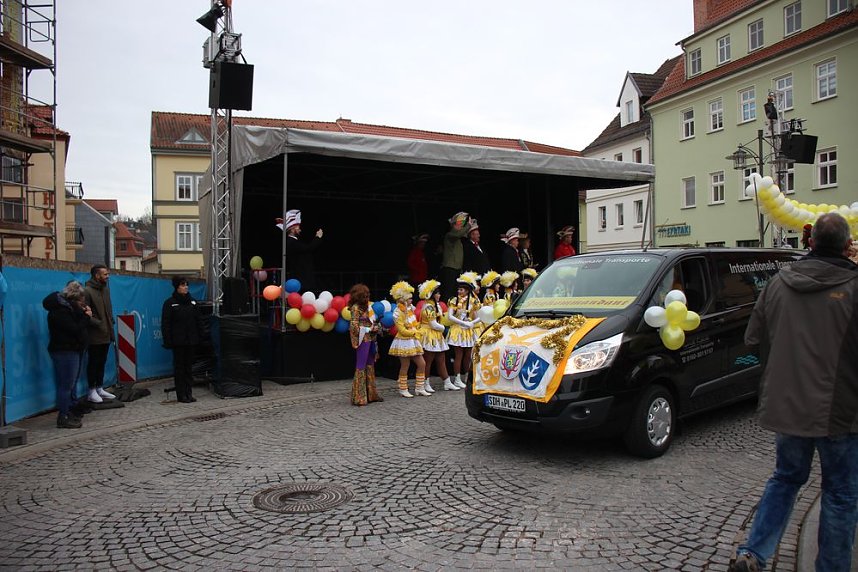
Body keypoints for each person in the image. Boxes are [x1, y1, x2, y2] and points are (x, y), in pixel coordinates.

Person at [729, 212, 858, 572]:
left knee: (785, 478)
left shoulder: (778, 284)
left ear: (810, 242)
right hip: (841, 411)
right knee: (841, 494)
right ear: (847, 246)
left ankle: (753, 553)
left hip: (787, 404)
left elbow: (753, 338)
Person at [43, 281, 92, 429]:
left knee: (68, 385)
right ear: (75, 299)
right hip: (65, 350)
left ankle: (69, 411)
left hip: (71, 349)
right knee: (66, 385)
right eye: (81, 300)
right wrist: (86, 317)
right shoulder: (60, 311)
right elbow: (74, 329)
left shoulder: (67, 309)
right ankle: (63, 415)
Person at [161, 277, 204, 403]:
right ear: (177, 287)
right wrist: (168, 340)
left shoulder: (193, 302)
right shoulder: (170, 303)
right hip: (178, 342)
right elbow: (166, 324)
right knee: (179, 368)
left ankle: (189, 393)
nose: (186, 287)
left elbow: (199, 321)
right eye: (183, 285)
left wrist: (200, 337)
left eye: (186, 285)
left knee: (188, 368)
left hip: (191, 340)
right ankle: (181, 395)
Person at [388, 281, 428, 398]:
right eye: (409, 298)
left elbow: (413, 323)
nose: (411, 300)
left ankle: (419, 387)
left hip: (413, 341)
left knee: (422, 364)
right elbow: (402, 331)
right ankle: (403, 388)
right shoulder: (397, 313)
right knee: (405, 366)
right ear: (402, 299)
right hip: (404, 341)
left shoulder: (410, 309)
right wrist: (416, 332)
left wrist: (418, 328)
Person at [84, 264, 116, 403]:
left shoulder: (106, 290)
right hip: (94, 335)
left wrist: (110, 324)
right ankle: (91, 390)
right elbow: (85, 314)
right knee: (94, 362)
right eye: (105, 274)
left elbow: (108, 311)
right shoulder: (87, 291)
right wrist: (98, 323)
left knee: (102, 362)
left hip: (107, 333)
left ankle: (99, 387)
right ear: (97, 276)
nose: (107, 277)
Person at [416, 279, 455, 392]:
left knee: (441, 358)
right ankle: (425, 383)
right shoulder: (428, 307)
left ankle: (447, 382)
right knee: (428, 360)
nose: (439, 295)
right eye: (437, 293)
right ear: (431, 295)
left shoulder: (435, 305)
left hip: (436, 334)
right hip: (429, 334)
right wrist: (444, 328)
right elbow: (433, 324)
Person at [347, 283, 383, 406]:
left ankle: (371, 394)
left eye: (368, 296)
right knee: (361, 366)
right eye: (364, 296)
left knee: (370, 365)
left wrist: (376, 326)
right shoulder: (355, 308)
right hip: (363, 339)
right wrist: (368, 329)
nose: (367, 299)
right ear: (358, 297)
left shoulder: (369, 307)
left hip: (371, 339)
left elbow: (372, 319)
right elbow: (353, 326)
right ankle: (359, 396)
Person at [446, 271, 480, 389]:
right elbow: (450, 316)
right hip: (457, 330)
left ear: (467, 291)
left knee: (468, 355)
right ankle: (457, 378)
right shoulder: (454, 300)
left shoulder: (473, 302)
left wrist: (472, 322)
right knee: (458, 355)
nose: (459, 291)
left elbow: (478, 316)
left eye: (462, 289)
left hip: (468, 331)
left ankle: (467, 377)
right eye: (459, 289)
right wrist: (462, 322)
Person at [281, 208, 323, 292]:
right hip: (300, 275)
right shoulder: (291, 242)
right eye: (297, 228)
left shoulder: (295, 240)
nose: (300, 230)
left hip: (302, 274)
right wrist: (318, 237)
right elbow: (308, 248)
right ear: (292, 230)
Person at [440, 211, 471, 300]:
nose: (461, 226)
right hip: (450, 267)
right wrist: (468, 225)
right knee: (449, 291)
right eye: (458, 224)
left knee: (455, 291)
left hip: (456, 268)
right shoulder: (450, 235)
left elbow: (462, 234)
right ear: (453, 225)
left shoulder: (458, 239)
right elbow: (458, 234)